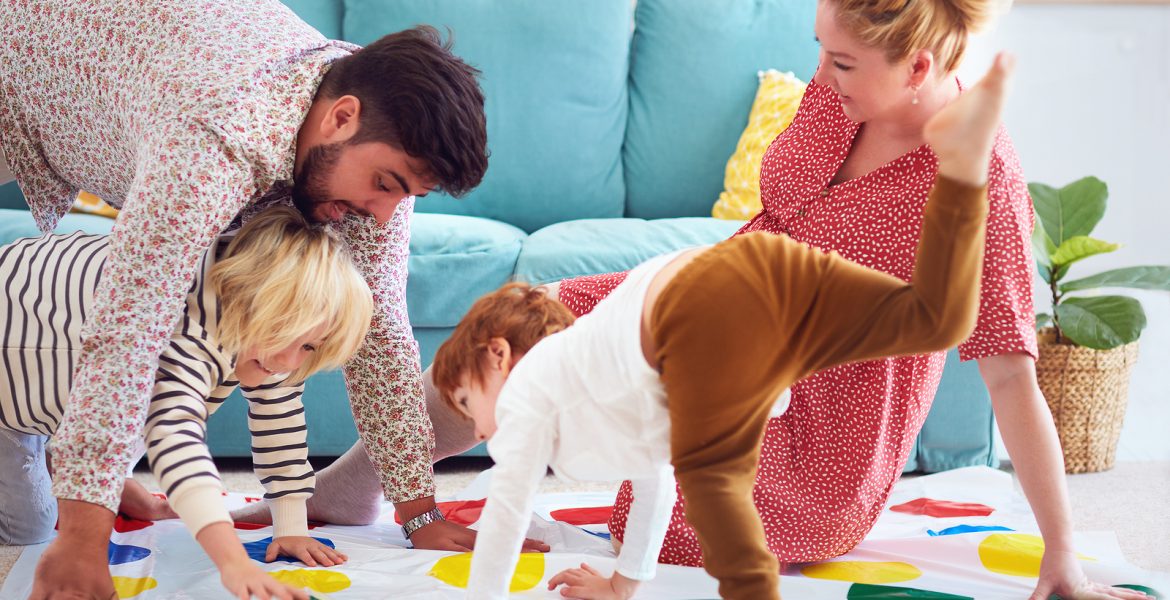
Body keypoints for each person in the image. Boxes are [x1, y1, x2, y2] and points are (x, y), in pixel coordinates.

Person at [542, 1, 1144, 598]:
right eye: (821, 51)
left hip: (821, 436)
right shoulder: (843, 91)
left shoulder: (980, 181)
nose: (822, 73)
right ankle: (437, 511)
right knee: (533, 317)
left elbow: (1011, 378)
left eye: (842, 61)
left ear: (916, 68)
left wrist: (1062, 556)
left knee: (662, 522)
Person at [432, 54, 1027, 600]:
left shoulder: (532, 396)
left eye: (467, 401)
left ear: (499, 358)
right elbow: (653, 475)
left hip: (727, 309)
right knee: (935, 318)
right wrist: (623, 586)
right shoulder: (594, 391)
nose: (480, 428)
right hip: (750, 285)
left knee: (716, 509)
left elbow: (508, 512)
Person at [0, 2, 494, 597]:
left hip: (162, 71)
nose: (383, 213)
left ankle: (83, 463)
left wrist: (420, 514)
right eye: (386, 185)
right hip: (32, 50)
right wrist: (81, 535)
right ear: (340, 118)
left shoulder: (377, 153)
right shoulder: (212, 142)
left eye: (407, 195)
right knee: (147, 333)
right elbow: (129, 328)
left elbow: (380, 333)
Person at [0, 206, 369, 599]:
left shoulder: (261, 332)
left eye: (309, 346)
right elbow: (176, 440)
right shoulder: (184, 324)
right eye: (285, 335)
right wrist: (233, 561)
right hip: (12, 395)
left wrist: (291, 526)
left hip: (75, 387)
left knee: (148, 401)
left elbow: (280, 419)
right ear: (250, 298)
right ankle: (62, 453)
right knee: (30, 528)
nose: (288, 362)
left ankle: (75, 457)